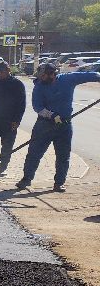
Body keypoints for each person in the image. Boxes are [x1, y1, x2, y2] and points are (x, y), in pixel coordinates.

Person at [16, 62, 100, 192]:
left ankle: (59, 183)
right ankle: (26, 179)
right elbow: (37, 107)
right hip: (44, 125)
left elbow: (93, 75)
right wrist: (51, 115)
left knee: (63, 156)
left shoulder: (68, 79)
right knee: (34, 153)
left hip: (64, 125)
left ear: (52, 74)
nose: (41, 78)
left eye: (43, 76)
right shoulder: (39, 86)